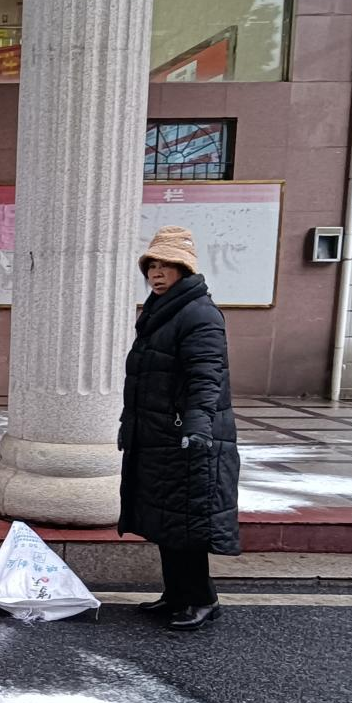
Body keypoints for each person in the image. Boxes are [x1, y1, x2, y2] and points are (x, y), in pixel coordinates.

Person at [118, 226, 241, 631]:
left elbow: (207, 374)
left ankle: (203, 599)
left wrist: (198, 424)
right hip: (160, 434)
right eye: (151, 265)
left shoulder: (198, 313)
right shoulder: (162, 311)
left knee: (187, 523)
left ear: (184, 270)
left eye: (165, 265)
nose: (156, 273)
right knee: (168, 520)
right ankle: (176, 595)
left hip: (187, 436)